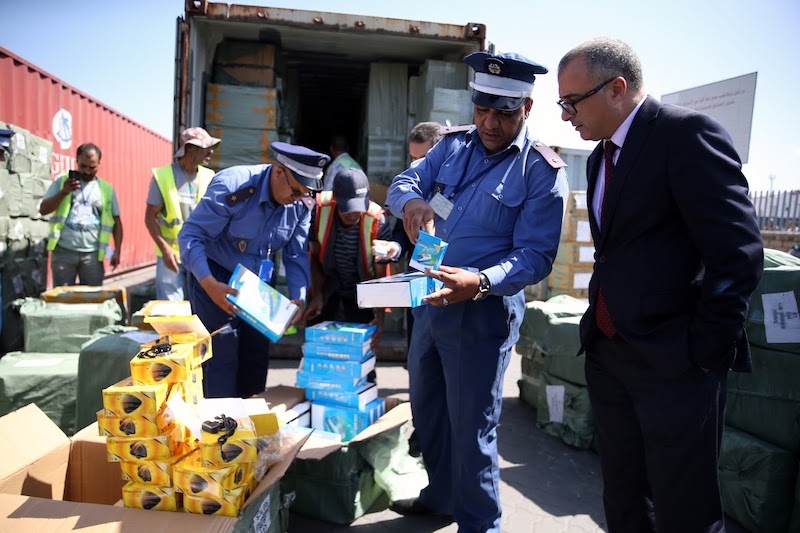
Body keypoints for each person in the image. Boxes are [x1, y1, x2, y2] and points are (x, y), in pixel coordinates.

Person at [557, 37, 763, 532]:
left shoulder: (685, 135)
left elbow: (737, 253)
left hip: (676, 361)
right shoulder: (601, 157)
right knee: (625, 501)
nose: (565, 116)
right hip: (611, 354)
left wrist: (703, 352)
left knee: (684, 510)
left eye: (573, 102)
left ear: (616, 89)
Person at [385, 51, 569, 531]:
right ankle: (442, 496)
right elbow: (404, 181)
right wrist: (413, 203)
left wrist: (481, 282)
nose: (489, 123)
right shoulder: (452, 146)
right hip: (429, 301)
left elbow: (535, 256)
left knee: (471, 428)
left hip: (481, 313)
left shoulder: (540, 171)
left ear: (527, 108)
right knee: (428, 411)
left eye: (503, 113)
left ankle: (480, 523)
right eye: (482, 109)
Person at [178, 142, 329, 399]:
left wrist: (298, 297)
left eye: (304, 194)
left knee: (255, 356)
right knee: (220, 356)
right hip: (217, 278)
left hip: (259, 285)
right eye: (295, 192)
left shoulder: (302, 202)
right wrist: (208, 283)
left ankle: (248, 418)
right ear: (279, 172)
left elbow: (295, 253)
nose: (298, 199)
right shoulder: (234, 186)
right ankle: (221, 420)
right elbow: (191, 236)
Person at [304, 168, 392, 346]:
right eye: (347, 208)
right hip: (327, 285)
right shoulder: (318, 210)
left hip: (363, 292)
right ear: (335, 199)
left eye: (358, 208)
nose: (353, 214)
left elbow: (380, 275)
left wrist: (379, 316)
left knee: (361, 350)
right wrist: (317, 295)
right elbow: (313, 256)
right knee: (320, 347)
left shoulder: (378, 220)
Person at [145, 127, 221, 301]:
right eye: (206, 147)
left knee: (202, 305)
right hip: (171, 255)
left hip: (201, 254)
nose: (211, 152)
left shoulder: (210, 177)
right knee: (170, 308)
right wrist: (165, 249)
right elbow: (150, 217)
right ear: (190, 148)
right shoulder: (163, 176)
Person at [40, 142, 122, 286]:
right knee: (63, 296)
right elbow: (43, 209)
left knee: (92, 296)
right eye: (83, 166)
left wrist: (117, 251)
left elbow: (117, 223)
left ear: (99, 164)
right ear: (76, 161)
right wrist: (64, 192)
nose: (87, 171)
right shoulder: (62, 182)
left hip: (93, 255)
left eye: (92, 167)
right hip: (64, 252)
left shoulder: (106, 189)